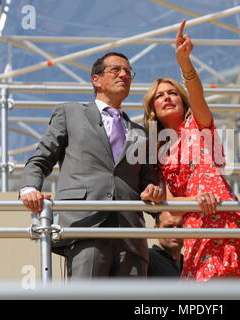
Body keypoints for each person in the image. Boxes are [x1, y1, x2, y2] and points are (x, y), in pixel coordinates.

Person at [143, 20, 240, 281]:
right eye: (159, 96)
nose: (167, 97)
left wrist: (184, 63)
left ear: (181, 99)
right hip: (196, 226)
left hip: (226, 215)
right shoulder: (159, 155)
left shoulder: (198, 125)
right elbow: (173, 208)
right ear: (152, 110)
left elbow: (197, 95)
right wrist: (195, 200)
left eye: (172, 93)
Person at [20, 52, 164, 279]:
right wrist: (29, 189)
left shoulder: (142, 133)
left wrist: (152, 189)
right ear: (95, 79)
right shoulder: (70, 113)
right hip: (85, 225)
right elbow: (41, 159)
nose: (124, 75)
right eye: (116, 70)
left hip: (131, 234)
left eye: (128, 71)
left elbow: (148, 180)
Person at [147, 211, 183, 277]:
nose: (176, 231)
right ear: (156, 230)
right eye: (169, 226)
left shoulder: (191, 262)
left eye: (180, 226)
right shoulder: (147, 258)